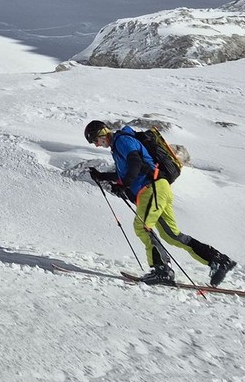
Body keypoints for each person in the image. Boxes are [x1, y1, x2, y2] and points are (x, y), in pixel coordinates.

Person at [84, 120, 236, 287]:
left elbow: (136, 162)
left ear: (101, 133)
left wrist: (124, 185)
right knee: (171, 235)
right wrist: (102, 176)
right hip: (158, 188)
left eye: (95, 141)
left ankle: (162, 270)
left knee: (142, 227)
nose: (97, 145)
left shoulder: (122, 140)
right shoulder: (118, 145)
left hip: (152, 188)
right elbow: (129, 171)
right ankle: (218, 260)